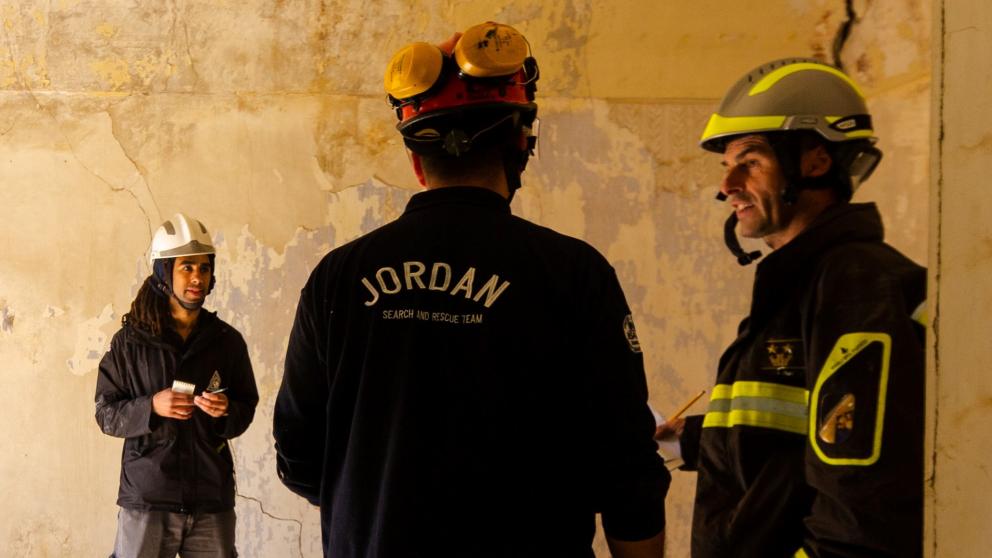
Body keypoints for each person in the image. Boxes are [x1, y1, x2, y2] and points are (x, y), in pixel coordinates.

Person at [273, 22, 670, 558]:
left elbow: (299, 452)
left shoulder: (337, 277)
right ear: (521, 144)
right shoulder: (575, 273)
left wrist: (382, 507)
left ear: (416, 161)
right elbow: (627, 466)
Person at [657, 58, 926, 557]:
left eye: (751, 161)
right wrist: (679, 441)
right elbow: (788, 442)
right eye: (727, 167)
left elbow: (859, 517)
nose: (726, 186)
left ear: (816, 161)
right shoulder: (801, 281)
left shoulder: (858, 288)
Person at [95, 213, 259, 558]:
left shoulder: (227, 342)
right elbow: (106, 413)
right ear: (164, 272)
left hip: (211, 499)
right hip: (148, 499)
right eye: (187, 267)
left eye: (204, 268)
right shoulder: (131, 343)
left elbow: (246, 408)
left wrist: (227, 410)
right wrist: (151, 406)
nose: (197, 277)